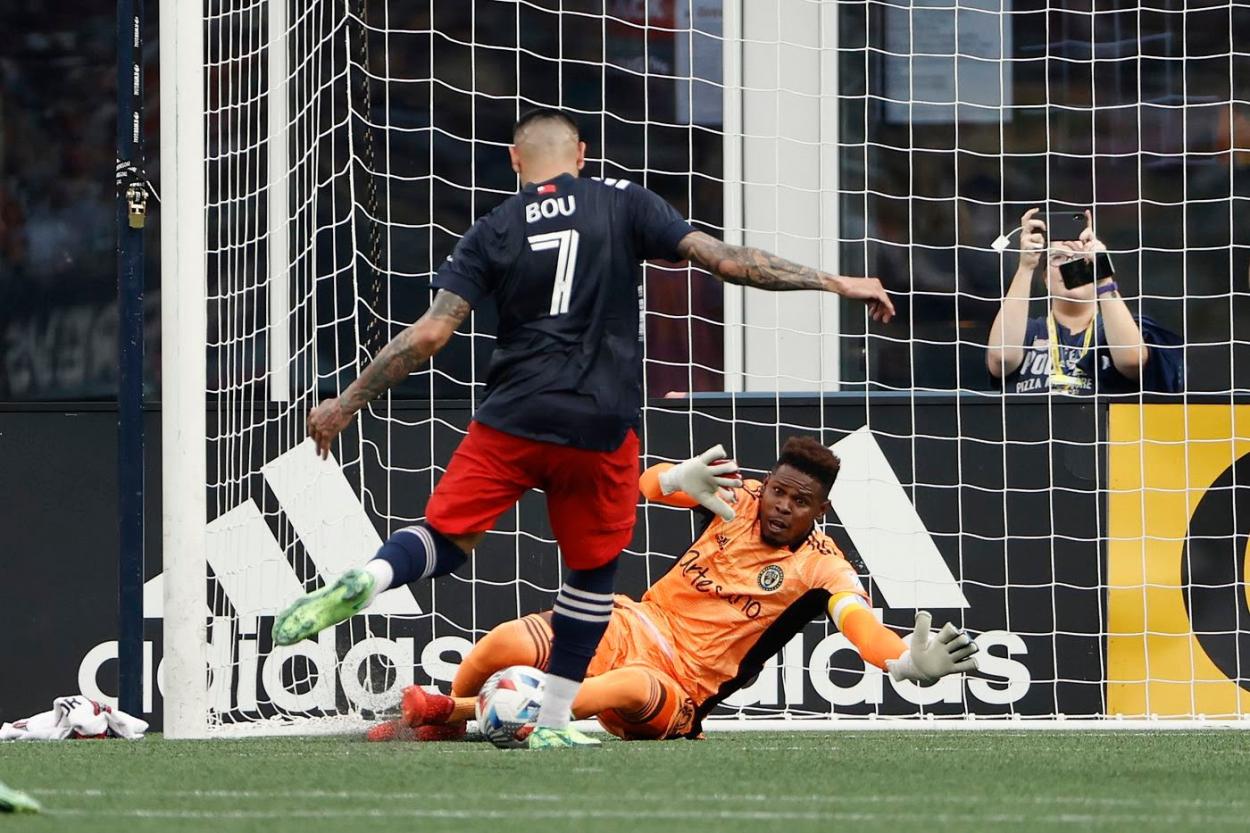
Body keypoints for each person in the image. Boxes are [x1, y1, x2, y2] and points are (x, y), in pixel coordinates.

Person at [271, 109, 896, 749]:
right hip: (599, 424)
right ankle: (550, 723)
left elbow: (430, 334)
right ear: (583, 154)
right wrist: (835, 282)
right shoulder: (623, 202)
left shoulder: (492, 228)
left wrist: (345, 403)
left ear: (515, 163)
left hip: (512, 415)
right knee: (591, 578)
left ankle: (371, 578)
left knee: (446, 540)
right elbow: (725, 261)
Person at [369, 436, 978, 743]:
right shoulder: (732, 499)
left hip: (681, 687)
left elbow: (859, 623)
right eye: (778, 491)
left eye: (800, 502)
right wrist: (670, 477)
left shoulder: (825, 568)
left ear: (820, 510)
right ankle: (451, 718)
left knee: (624, 687)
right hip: (633, 622)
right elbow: (635, 486)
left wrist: (900, 659)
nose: (782, 507)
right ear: (765, 485)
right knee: (504, 641)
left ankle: (458, 713)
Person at [987, 208, 1182, 394]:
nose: (1070, 265)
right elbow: (1000, 359)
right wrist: (1027, 265)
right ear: (1046, 279)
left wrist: (1103, 275)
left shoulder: (1118, 330)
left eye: (1080, 258)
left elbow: (1133, 362)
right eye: (1059, 257)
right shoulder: (1026, 331)